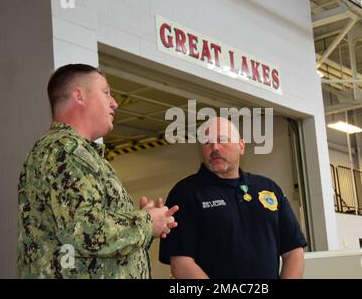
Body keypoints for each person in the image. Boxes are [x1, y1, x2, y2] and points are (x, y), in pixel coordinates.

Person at [17, 64, 178, 278]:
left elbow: (90, 233)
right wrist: (146, 223)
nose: (115, 103)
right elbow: (85, 231)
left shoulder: (79, 153)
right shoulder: (65, 152)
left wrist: (143, 220)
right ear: (79, 96)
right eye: (106, 93)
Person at [159, 117, 307, 278]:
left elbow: (293, 251)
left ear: (241, 146)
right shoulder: (185, 193)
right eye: (207, 142)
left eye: (222, 140)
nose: (214, 147)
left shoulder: (268, 189)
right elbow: (181, 264)